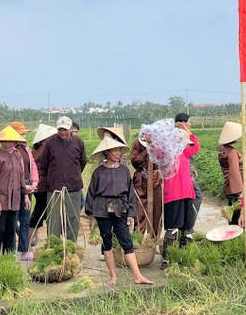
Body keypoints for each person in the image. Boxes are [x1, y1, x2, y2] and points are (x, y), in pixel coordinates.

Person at [85, 137, 153, 286]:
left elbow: (130, 193)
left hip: (120, 208)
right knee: (107, 242)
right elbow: (91, 193)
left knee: (126, 241)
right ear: (107, 153)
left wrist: (131, 213)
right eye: (114, 150)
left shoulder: (124, 171)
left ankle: (137, 276)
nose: (118, 153)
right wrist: (91, 215)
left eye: (119, 150)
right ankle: (113, 277)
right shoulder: (98, 172)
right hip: (101, 209)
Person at [34, 116, 88, 243]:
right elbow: (44, 163)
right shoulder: (50, 143)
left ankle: (71, 247)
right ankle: (54, 246)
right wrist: (55, 176)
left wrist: (72, 173)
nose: (62, 132)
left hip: (73, 187)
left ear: (70, 129)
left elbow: (83, 162)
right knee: (54, 219)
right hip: (54, 188)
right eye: (60, 130)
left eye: (65, 130)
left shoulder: (78, 142)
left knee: (73, 218)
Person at [162, 115, 201, 258]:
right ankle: (168, 257)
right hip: (173, 194)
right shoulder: (166, 153)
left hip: (187, 192)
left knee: (187, 228)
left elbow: (196, 146)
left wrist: (187, 130)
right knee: (172, 228)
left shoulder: (184, 152)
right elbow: (155, 149)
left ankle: (183, 256)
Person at [0, 126, 28, 256]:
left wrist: (25, 195)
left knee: (11, 230)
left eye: (11, 140)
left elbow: (21, 176)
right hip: (0, 199)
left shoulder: (17, 156)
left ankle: (8, 258)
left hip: (14, 199)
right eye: (6, 140)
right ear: (1, 142)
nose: (8, 143)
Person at [12, 122, 39, 262]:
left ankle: (24, 249)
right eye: (20, 133)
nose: (23, 135)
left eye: (23, 133)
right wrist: (25, 193)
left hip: (28, 185)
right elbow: (17, 173)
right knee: (13, 219)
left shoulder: (25, 147)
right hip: (17, 186)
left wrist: (34, 182)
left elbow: (32, 165)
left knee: (25, 220)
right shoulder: (12, 150)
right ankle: (10, 250)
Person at [131, 134, 163, 238]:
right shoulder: (137, 143)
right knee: (139, 210)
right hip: (141, 179)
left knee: (157, 210)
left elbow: (163, 158)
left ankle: (154, 239)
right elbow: (135, 161)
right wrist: (147, 149)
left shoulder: (158, 143)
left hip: (155, 179)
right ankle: (138, 239)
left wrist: (153, 145)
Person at [27, 124, 55, 239]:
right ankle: (32, 239)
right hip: (44, 186)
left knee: (40, 210)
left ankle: (33, 238)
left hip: (37, 185)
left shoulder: (35, 150)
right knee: (43, 212)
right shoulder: (46, 149)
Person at [218, 121, 245, 224]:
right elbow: (234, 171)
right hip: (235, 184)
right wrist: (240, 189)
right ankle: (237, 229)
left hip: (228, 183)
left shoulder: (223, 150)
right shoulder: (232, 152)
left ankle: (233, 228)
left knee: (232, 208)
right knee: (237, 209)